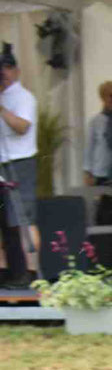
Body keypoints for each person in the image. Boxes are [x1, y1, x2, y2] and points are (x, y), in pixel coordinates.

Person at [0, 42, 38, 289]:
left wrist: (2, 109)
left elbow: (22, 126)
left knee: (23, 220)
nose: (4, 73)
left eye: (8, 68)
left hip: (20, 161)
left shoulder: (24, 97)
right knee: (5, 223)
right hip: (2, 162)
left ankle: (32, 271)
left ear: (16, 71)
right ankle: (7, 271)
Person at [84, 81, 112, 186]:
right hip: (100, 173)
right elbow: (89, 148)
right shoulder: (95, 122)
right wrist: (88, 172)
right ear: (103, 97)